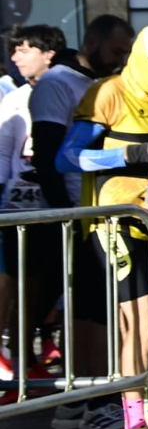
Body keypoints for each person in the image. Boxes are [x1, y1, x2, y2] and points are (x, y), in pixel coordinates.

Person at [56, 24, 148, 429]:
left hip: (144, 222)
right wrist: (129, 156)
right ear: (143, 60)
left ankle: (147, 422)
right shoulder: (107, 92)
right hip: (109, 225)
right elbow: (66, 157)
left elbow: (147, 168)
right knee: (133, 325)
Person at [27, 14, 133, 429]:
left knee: (95, 306)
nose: (120, 59)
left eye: (126, 53)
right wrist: (66, 217)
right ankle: (84, 398)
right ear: (91, 41)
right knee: (85, 309)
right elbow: (52, 157)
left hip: (96, 210)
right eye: (115, 51)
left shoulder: (103, 83)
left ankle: (89, 396)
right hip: (75, 213)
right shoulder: (58, 83)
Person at [0, 25, 63, 390]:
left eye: (23, 50)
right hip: (17, 207)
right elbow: (5, 155)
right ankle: (14, 360)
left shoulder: (68, 90)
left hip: (57, 207)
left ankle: (27, 358)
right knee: (10, 281)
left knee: (40, 287)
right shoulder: (14, 99)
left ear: (48, 53)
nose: (15, 58)